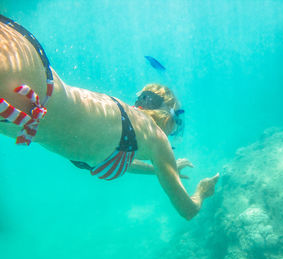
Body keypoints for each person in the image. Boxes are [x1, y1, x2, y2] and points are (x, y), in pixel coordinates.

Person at [0, 15, 219, 220]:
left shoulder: (128, 123)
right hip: (27, 97)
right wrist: (201, 192)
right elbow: (187, 211)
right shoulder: (157, 138)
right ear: (167, 117)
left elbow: (122, 159)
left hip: (32, 79)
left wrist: (158, 169)